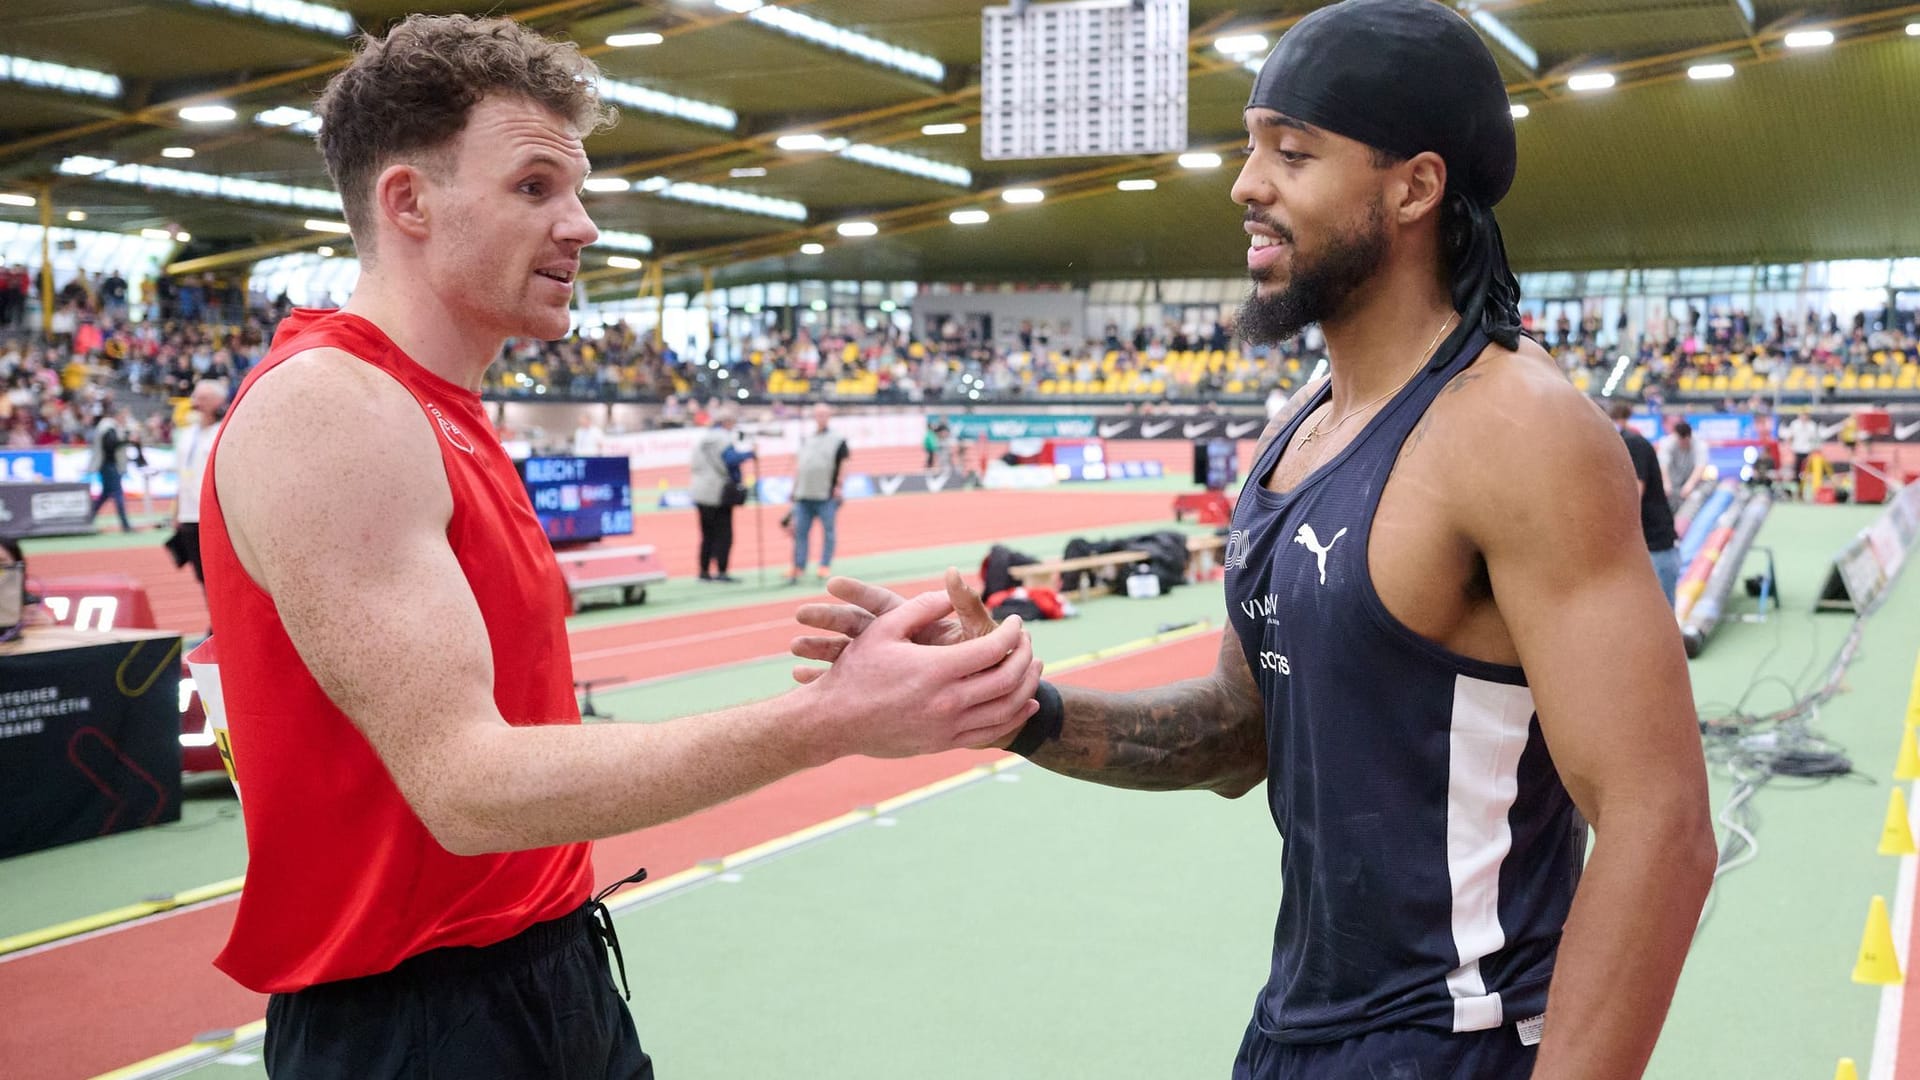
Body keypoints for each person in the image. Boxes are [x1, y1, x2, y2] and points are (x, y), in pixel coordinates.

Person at [794, 3, 1713, 1077]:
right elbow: (1240, 730)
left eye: (1293, 150)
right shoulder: (1297, 428)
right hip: (1298, 1028)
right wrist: (1009, 710)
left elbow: (1659, 826)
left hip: (1459, 1040)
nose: (1244, 182)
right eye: (1249, 145)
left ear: (1413, 187)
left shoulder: (1519, 427)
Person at [194, 16, 1042, 1079]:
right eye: (537, 188)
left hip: (547, 966)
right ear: (408, 201)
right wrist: (831, 718)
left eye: (578, 190)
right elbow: (465, 787)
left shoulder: (438, 409)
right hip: (413, 1019)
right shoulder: (331, 408)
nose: (583, 226)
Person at [1611, 402, 1683, 604]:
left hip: (1655, 541)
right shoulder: (1626, 442)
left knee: (1661, 607)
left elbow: (1636, 491)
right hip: (1644, 541)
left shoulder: (1633, 444)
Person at [787, 402, 850, 585]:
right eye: (817, 415)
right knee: (800, 532)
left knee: (828, 532)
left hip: (826, 495)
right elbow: (801, 466)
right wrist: (794, 488)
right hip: (803, 494)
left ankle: (824, 565)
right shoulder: (808, 439)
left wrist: (839, 485)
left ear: (829, 416)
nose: (820, 418)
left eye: (824, 414)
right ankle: (798, 566)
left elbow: (844, 463)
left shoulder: (838, 439)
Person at [170, 379, 225, 586]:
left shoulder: (223, 431)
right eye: (196, 397)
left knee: (220, 573)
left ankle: (221, 618)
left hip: (216, 514)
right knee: (201, 574)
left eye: (203, 398)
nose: (196, 402)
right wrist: (176, 512)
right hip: (189, 514)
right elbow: (181, 475)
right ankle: (213, 617)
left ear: (217, 402)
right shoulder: (186, 434)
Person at [690, 403, 753, 582]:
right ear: (726, 422)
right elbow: (731, 459)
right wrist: (749, 455)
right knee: (724, 533)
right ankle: (722, 571)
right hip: (718, 492)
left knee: (707, 534)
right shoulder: (723, 438)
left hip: (700, 490)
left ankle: (703, 571)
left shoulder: (703, 439)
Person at [87, 403, 139, 532]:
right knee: (118, 494)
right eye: (124, 415)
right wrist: (128, 440)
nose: (125, 418)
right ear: (118, 415)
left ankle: (87, 519)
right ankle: (125, 525)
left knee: (105, 495)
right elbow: (110, 445)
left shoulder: (112, 427)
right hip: (108, 465)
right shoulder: (108, 427)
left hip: (108, 465)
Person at [1654, 419, 1710, 508]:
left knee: (1699, 493)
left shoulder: (1700, 444)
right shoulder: (1667, 443)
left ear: (1690, 437)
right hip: (1673, 482)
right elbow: (1662, 464)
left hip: (1690, 479)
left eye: (1686, 441)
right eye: (1681, 441)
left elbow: (1700, 466)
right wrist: (1666, 482)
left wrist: (1690, 484)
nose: (1683, 444)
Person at [1784, 408, 1820, 497]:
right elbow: (1790, 437)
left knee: (1808, 472)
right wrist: (1788, 448)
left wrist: (1813, 451)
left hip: (1808, 451)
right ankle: (1798, 490)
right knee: (1797, 472)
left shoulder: (1812, 425)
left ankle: (1811, 491)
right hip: (1797, 450)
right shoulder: (1795, 424)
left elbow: (1814, 440)